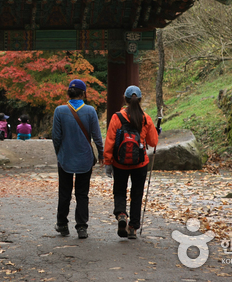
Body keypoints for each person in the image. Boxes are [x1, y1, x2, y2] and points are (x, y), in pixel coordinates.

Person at [103, 85, 159, 240]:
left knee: (120, 190)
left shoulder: (117, 117)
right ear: (139, 100)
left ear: (125, 99)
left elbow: (110, 142)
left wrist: (108, 162)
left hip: (120, 162)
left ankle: (121, 214)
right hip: (140, 163)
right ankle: (133, 227)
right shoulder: (146, 118)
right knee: (137, 193)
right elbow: (153, 142)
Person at [52, 79, 104, 239]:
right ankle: (82, 227)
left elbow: (56, 137)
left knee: (64, 193)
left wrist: (59, 153)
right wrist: (101, 153)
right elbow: (97, 136)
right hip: (85, 158)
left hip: (65, 158)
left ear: (69, 93)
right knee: (82, 193)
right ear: (83, 94)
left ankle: (62, 224)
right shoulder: (90, 111)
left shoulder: (60, 111)